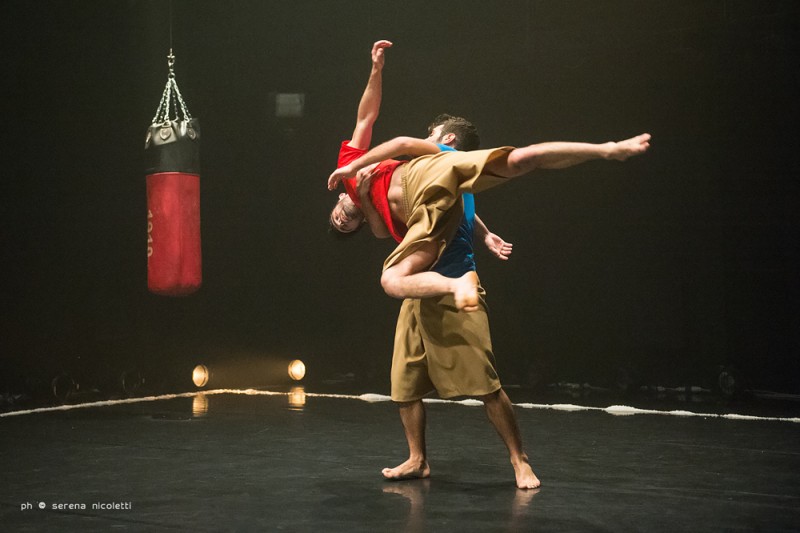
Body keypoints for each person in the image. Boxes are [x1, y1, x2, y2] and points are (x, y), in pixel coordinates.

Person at [336, 40, 539, 489]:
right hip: (419, 285)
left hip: (456, 281)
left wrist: (376, 71)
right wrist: (366, 203)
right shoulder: (365, 180)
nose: (338, 215)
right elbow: (379, 229)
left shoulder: (430, 166)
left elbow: (367, 117)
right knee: (404, 384)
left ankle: (519, 459)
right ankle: (417, 459)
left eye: (433, 135)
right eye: (338, 220)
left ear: (445, 141)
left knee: (485, 384)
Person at [328, 127, 651, 312]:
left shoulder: (436, 153)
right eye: (344, 225)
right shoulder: (370, 207)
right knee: (390, 280)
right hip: (429, 218)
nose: (342, 220)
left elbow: (393, 139)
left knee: (524, 157)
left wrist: (352, 168)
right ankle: (456, 286)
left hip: (425, 180)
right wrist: (485, 234)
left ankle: (607, 149)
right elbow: (457, 202)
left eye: (338, 217)